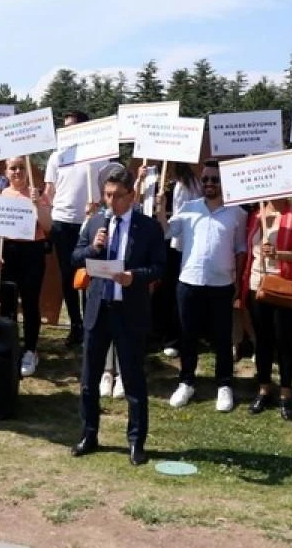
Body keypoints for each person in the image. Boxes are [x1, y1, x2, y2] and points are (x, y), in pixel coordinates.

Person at [70, 167, 168, 466]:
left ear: (132, 196)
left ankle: (136, 441)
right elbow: (74, 258)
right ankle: (89, 433)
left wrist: (133, 277)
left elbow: (159, 267)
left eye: (117, 196)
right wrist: (94, 247)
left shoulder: (148, 227)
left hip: (129, 312)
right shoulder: (95, 222)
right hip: (98, 310)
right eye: (107, 195)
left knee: (134, 380)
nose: (111, 201)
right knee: (89, 380)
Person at [162, 159, 247, 412]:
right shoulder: (188, 208)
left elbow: (241, 249)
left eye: (215, 179)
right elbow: (167, 231)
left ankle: (224, 385)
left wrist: (238, 283)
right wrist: (159, 209)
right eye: (206, 179)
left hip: (222, 284)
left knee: (222, 338)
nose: (209, 183)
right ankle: (186, 381)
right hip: (189, 282)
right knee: (188, 336)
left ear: (224, 183)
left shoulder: (237, 213)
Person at [241, 198, 292, 421]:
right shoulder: (256, 215)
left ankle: (285, 393)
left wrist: (277, 254)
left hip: (285, 286)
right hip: (257, 285)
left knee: (285, 341)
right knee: (262, 340)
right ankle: (263, 389)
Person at [0, 156, 53, 377]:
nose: (17, 172)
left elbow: (48, 225)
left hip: (32, 251)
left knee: (31, 302)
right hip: (9, 252)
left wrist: (36, 203)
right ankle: (10, 346)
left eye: (21, 168)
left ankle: (30, 350)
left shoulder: (37, 194)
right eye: (13, 168)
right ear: (6, 172)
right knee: (7, 302)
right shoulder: (1, 196)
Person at [44, 111, 104, 347]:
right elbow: (50, 192)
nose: (67, 131)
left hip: (90, 223)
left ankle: (91, 324)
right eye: (65, 127)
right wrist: (38, 201)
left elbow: (107, 189)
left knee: (90, 274)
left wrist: (97, 205)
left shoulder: (99, 156)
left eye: (72, 127)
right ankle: (76, 326)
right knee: (68, 276)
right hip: (62, 223)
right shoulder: (56, 157)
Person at [149, 162, 201, 357]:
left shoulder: (190, 182)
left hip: (176, 242)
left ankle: (173, 338)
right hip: (155, 237)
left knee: (172, 289)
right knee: (156, 287)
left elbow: (188, 214)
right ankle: (155, 332)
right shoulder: (152, 175)